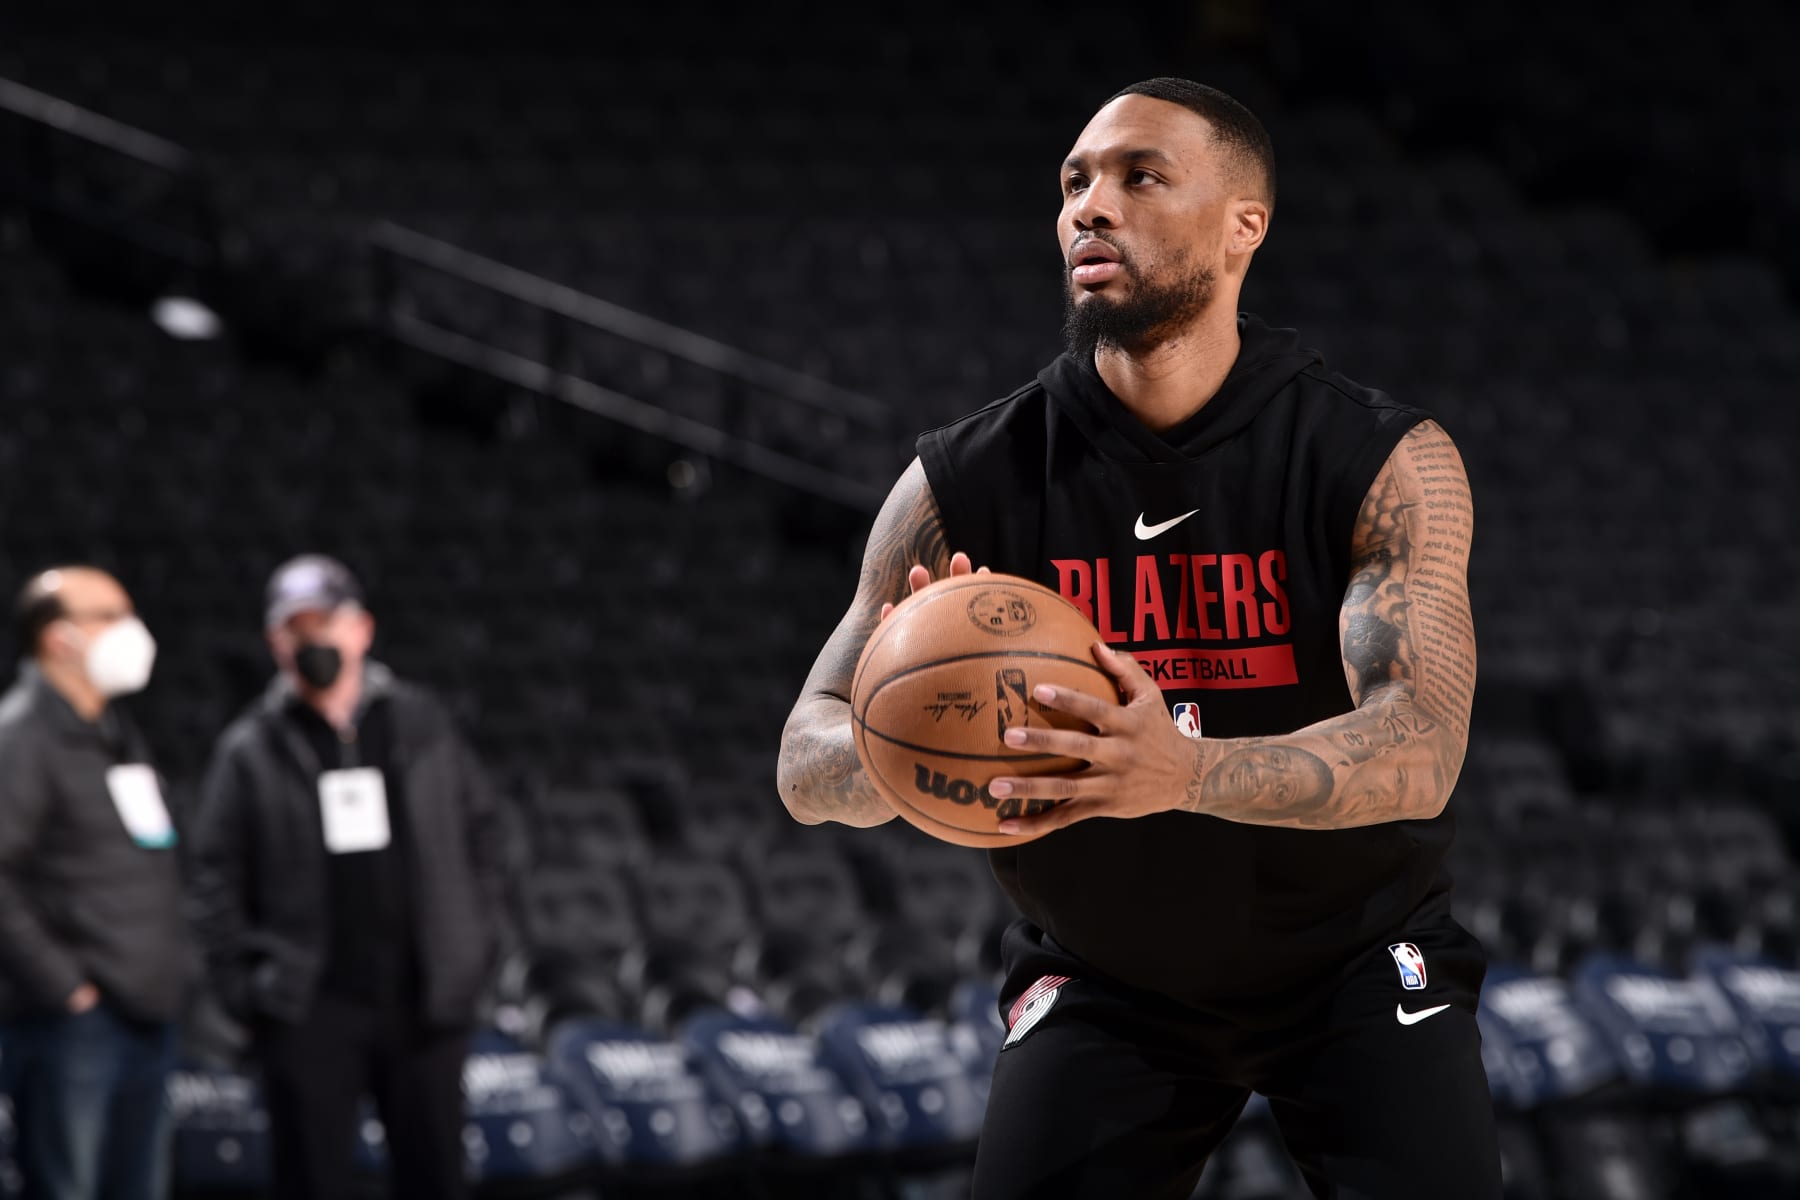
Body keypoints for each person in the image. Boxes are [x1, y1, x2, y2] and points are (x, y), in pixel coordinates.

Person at [777, 78, 1498, 1198]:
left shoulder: (1378, 457)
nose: (1090, 207)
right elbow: (805, 766)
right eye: (1074, 182)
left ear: (1242, 224)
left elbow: (1421, 746)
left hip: (1351, 960)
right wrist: (919, 728)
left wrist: (1183, 772)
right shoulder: (965, 482)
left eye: (1140, 177)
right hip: (1109, 975)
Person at [189, 555, 504, 1200]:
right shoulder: (250, 747)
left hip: (425, 999)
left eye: (324, 623)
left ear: (361, 628)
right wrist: (248, 990)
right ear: (276, 643)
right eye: (294, 629)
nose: (312, 641)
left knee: (438, 1176)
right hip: (310, 1007)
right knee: (313, 1180)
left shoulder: (421, 720)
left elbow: (483, 835)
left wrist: (474, 949)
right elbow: (214, 879)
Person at [0, 567, 186, 1200]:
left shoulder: (113, 733)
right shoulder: (21, 735)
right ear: (58, 638)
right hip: (74, 1026)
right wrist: (65, 985)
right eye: (109, 615)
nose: (131, 630)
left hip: (143, 1013)